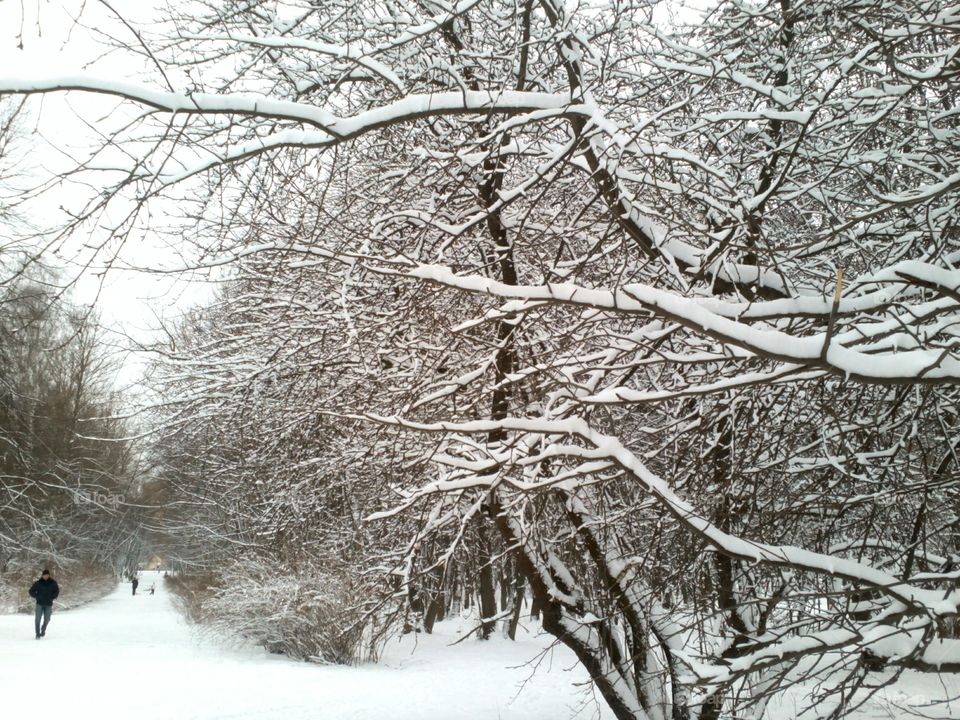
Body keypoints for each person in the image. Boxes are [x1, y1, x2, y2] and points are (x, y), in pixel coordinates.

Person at [28, 569, 60, 639]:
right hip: (39, 603)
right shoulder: (38, 583)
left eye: (47, 575)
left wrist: (52, 597)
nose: (46, 576)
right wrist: (37, 596)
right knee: (37, 619)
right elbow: (31, 591)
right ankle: (37, 634)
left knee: (47, 619)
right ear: (42, 575)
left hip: (48, 604)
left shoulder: (53, 583)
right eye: (44, 575)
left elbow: (57, 591)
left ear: (49, 575)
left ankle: (43, 628)